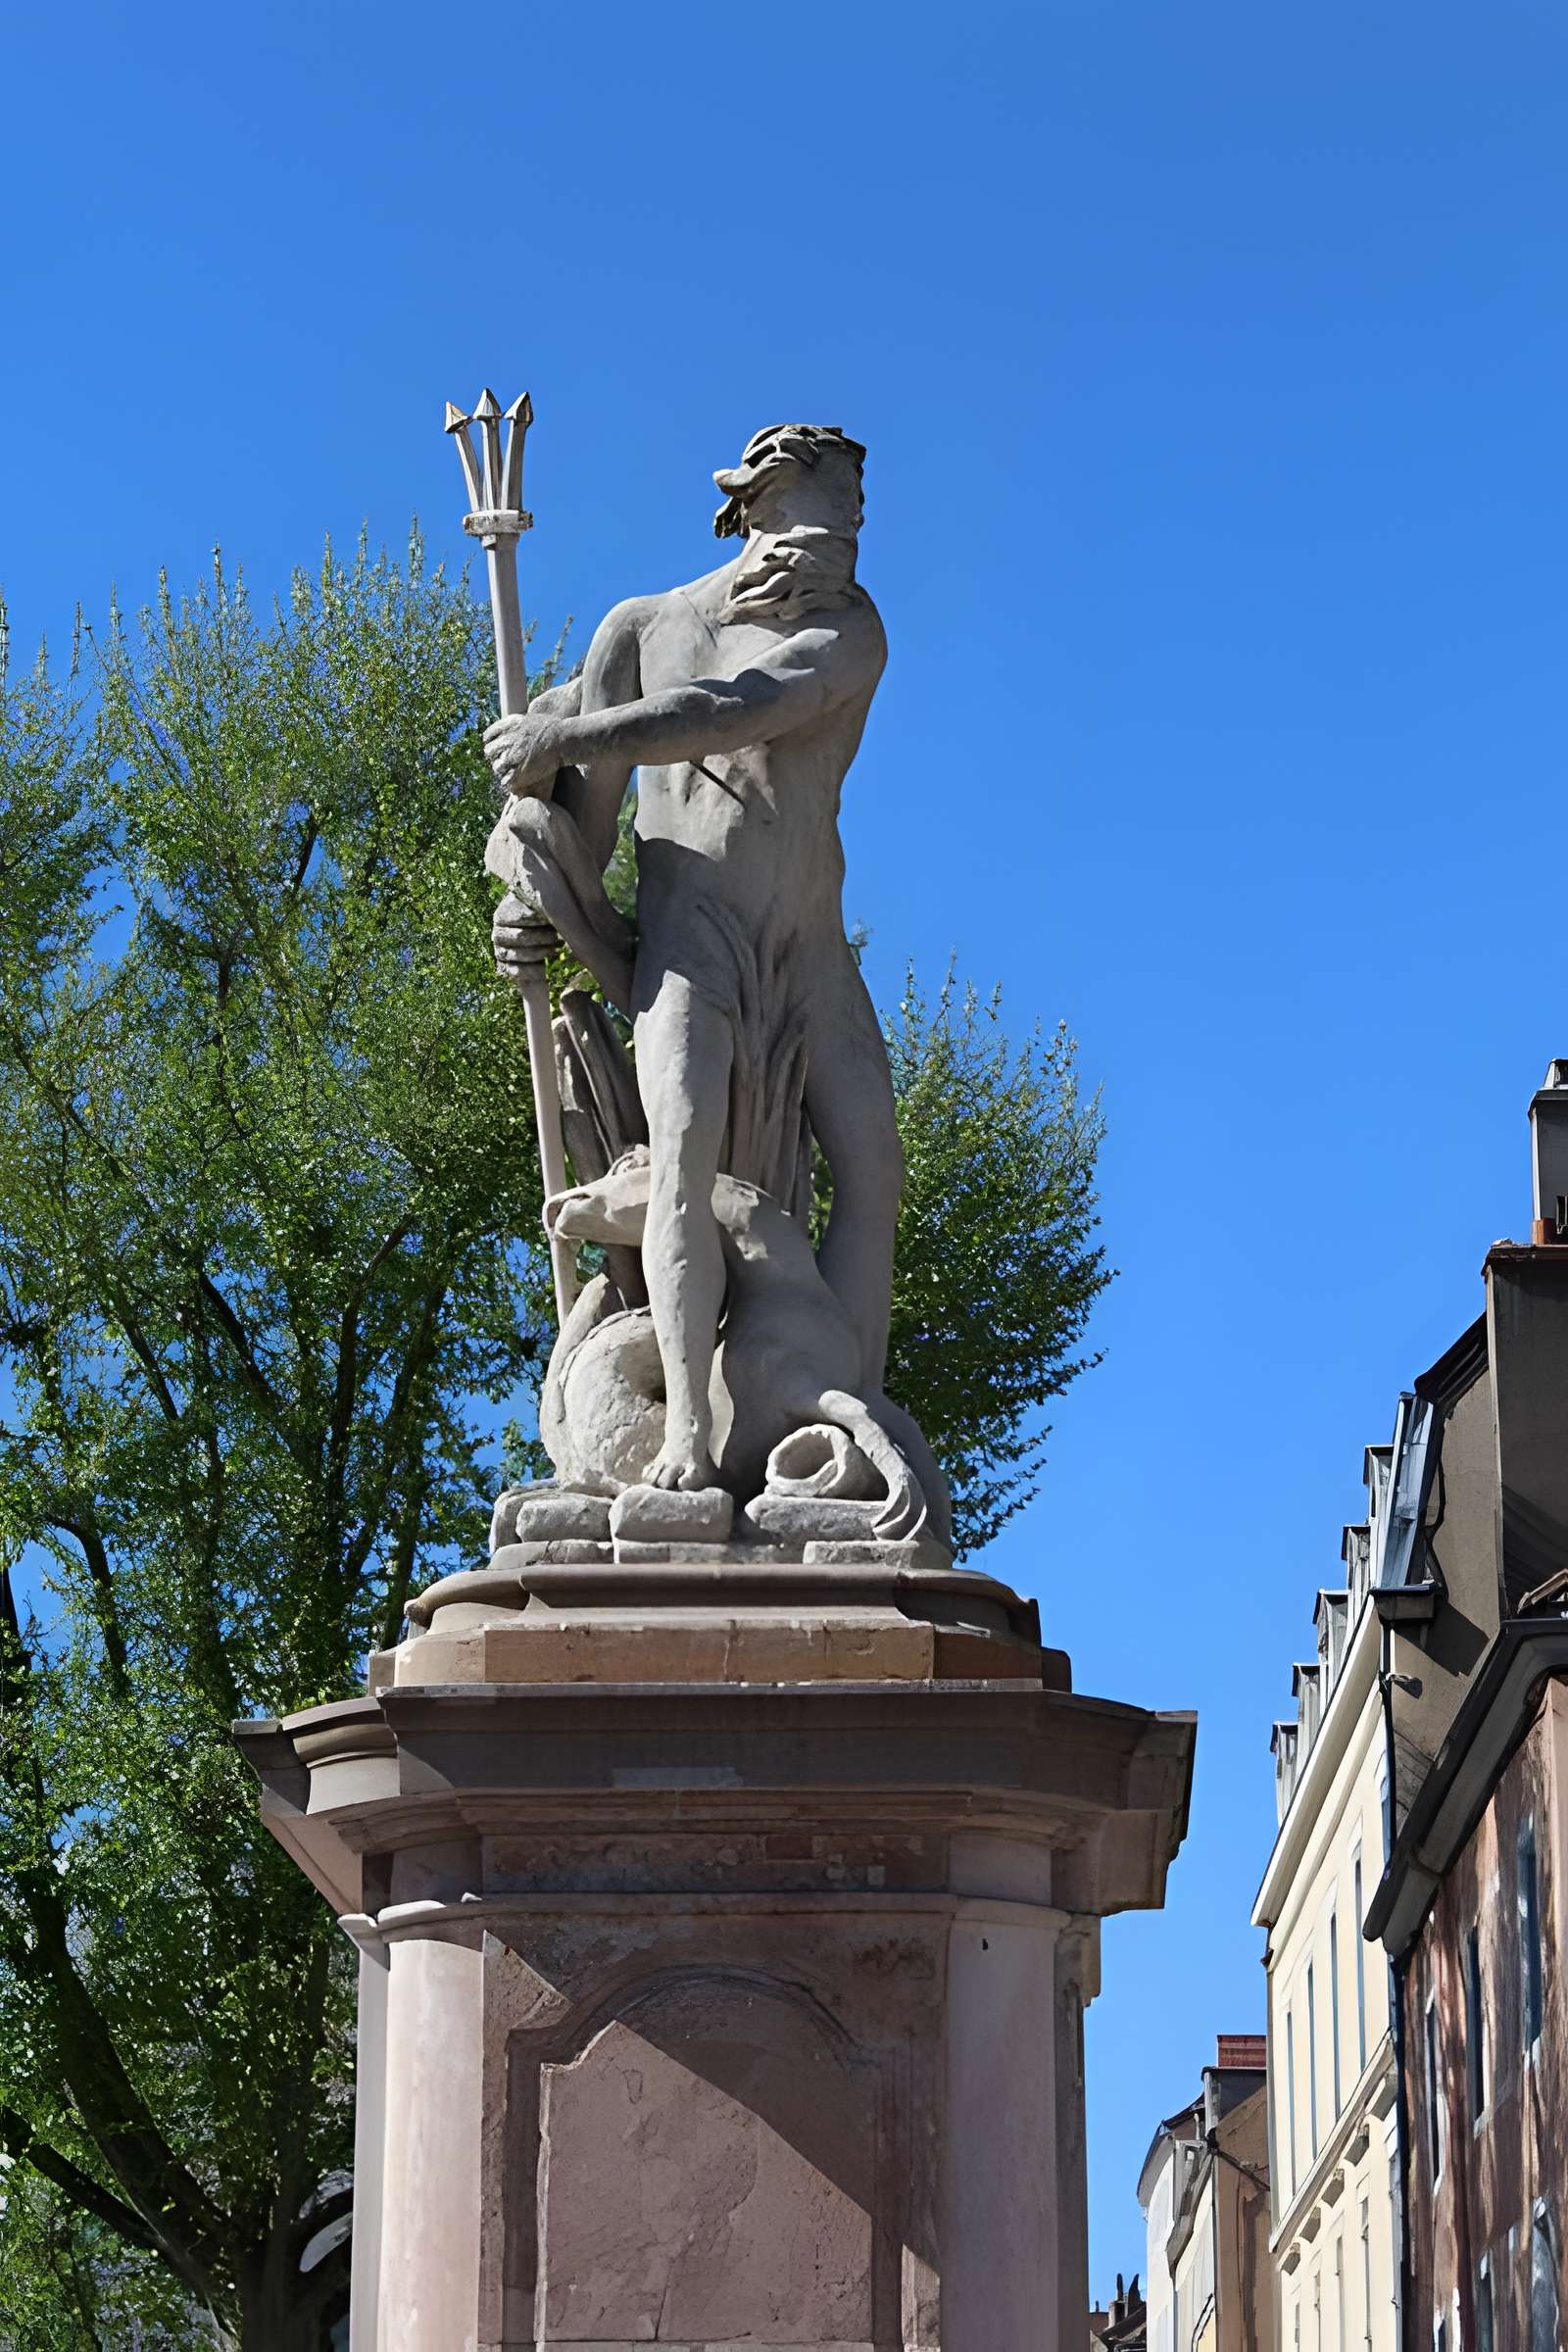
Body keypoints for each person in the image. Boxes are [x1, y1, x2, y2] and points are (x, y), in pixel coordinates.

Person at [486, 423, 903, 1496]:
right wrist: (535, 905)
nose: (838, 551)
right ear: (755, 510)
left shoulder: (849, 629)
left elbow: (743, 708)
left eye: (852, 529)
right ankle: (683, 1445)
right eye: (822, 525)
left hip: (807, 939)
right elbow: (578, 833)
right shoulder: (640, 630)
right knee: (677, 1157)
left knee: (873, 1166)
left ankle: (841, 1425)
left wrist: (569, 735)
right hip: (694, 939)